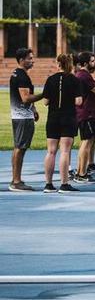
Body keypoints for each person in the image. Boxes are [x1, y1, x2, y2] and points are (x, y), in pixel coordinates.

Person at [42, 54, 83, 193]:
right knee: (65, 150)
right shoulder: (74, 80)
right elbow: (78, 101)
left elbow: (45, 101)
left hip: (53, 117)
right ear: (70, 64)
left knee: (51, 151)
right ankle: (64, 184)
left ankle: (48, 184)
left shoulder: (50, 79)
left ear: (58, 64)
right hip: (68, 117)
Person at [8, 48, 43, 192]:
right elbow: (26, 98)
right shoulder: (21, 76)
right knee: (20, 148)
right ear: (22, 60)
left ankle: (16, 179)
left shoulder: (18, 74)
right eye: (30, 58)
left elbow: (27, 99)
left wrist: (33, 109)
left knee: (19, 147)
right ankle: (16, 181)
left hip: (21, 115)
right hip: (22, 117)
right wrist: (45, 94)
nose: (32, 60)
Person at [73, 52, 95, 183]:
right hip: (87, 113)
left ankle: (81, 170)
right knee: (86, 142)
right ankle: (81, 173)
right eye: (92, 61)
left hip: (88, 112)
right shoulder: (84, 75)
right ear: (85, 64)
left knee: (87, 142)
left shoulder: (83, 75)